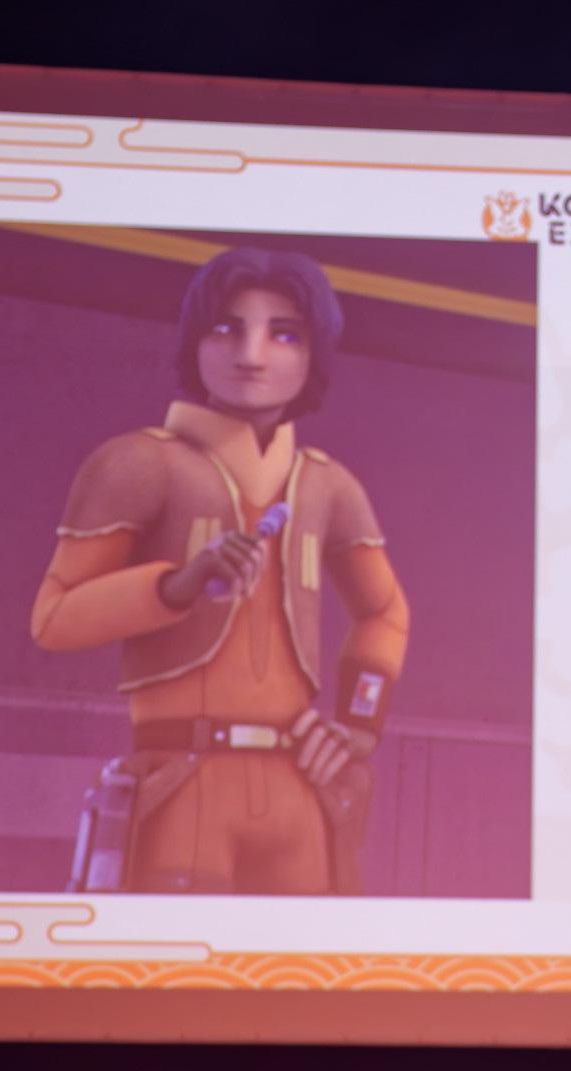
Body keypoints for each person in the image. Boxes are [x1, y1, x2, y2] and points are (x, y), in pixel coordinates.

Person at [30, 247, 410, 894]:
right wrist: (175, 585)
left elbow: (384, 611)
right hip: (181, 786)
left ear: (314, 354)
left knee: (303, 961)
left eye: (284, 334)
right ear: (194, 341)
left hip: (300, 794)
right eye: (226, 328)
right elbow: (54, 617)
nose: (251, 354)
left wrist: (358, 725)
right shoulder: (137, 463)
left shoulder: (328, 485)